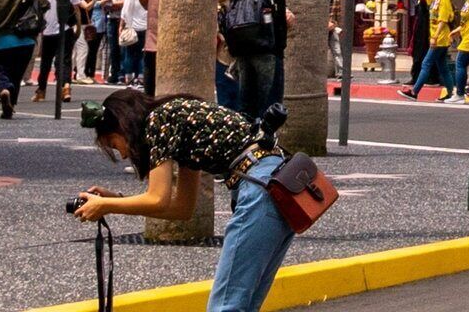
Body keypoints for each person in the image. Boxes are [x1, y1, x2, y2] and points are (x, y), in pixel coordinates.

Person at [78, 85, 309, 312]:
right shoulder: (180, 122)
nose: (125, 154)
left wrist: (107, 205)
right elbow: (182, 209)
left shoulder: (158, 121)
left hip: (260, 189)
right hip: (279, 189)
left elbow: (157, 199)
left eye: (114, 144)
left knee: (224, 307)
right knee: (243, 305)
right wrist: (116, 201)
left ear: (123, 125)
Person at [219, 0, 341, 130]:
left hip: (243, 51)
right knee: (271, 109)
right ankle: (266, 151)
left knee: (247, 108)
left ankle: (246, 150)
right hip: (268, 49)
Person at [39, 0, 81, 108]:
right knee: (65, 59)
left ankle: (41, 90)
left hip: (48, 29)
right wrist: (79, 26)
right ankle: (66, 87)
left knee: (46, 61)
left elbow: (40, 9)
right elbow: (76, 9)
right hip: (66, 29)